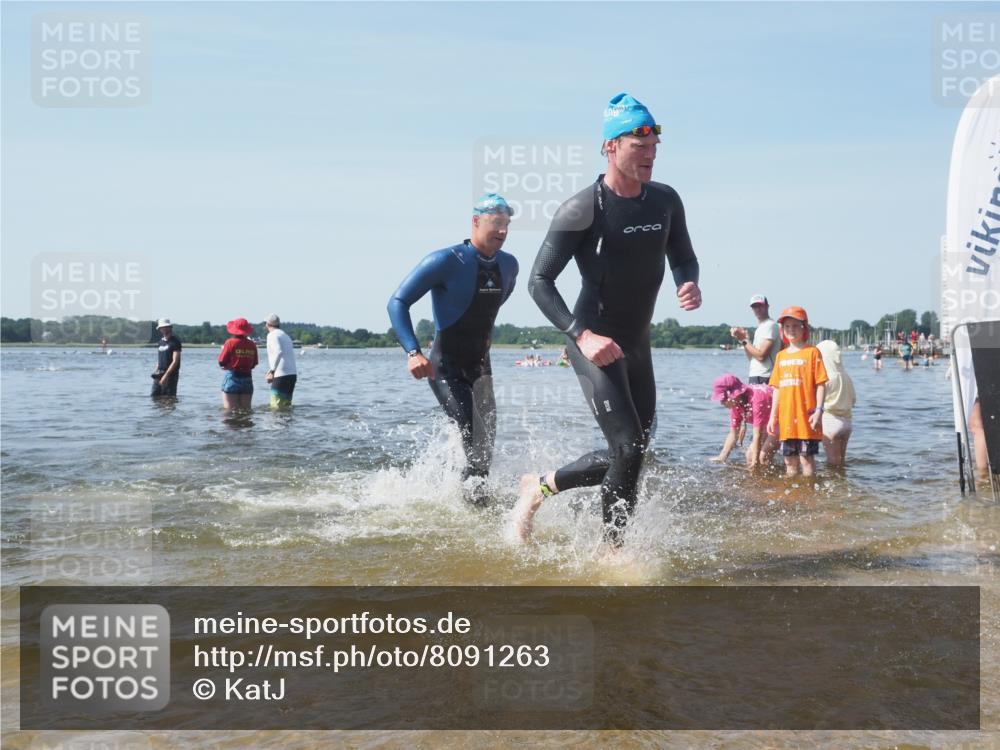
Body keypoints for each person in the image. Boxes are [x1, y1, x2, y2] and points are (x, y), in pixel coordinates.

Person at [512, 92, 702, 548]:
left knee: (634, 453)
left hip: (638, 345)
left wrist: (688, 282)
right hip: (593, 341)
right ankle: (612, 554)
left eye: (655, 146)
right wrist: (582, 335)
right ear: (610, 147)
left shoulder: (665, 201)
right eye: (640, 147)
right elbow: (539, 281)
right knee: (630, 447)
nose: (650, 155)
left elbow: (684, 257)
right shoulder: (581, 209)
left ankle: (540, 486)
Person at [387, 194, 519, 497]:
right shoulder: (445, 260)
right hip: (446, 368)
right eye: (496, 223)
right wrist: (413, 352)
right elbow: (397, 302)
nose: (502, 231)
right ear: (475, 221)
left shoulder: (509, 265)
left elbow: (493, 304)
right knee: (471, 432)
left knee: (484, 446)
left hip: (482, 369)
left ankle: (471, 503)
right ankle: (464, 502)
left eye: (507, 225)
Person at [766, 306, 828, 477]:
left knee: (806, 459)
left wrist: (819, 411)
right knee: (789, 461)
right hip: (787, 420)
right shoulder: (781, 356)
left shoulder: (812, 352)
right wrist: (773, 417)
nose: (791, 330)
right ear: (782, 330)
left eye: (795, 326)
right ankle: (793, 498)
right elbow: (777, 388)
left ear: (804, 328)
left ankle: (809, 495)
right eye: (787, 327)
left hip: (807, 418)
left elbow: (821, 384)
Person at [709, 373, 777, 469]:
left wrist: (755, 462)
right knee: (750, 456)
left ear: (733, 394)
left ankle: (771, 479)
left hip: (782, 419)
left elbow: (757, 434)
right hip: (768, 423)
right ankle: (764, 479)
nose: (721, 403)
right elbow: (733, 434)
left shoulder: (757, 399)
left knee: (762, 458)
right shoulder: (736, 404)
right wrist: (722, 457)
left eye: (723, 399)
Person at [816, 340, 856, 468]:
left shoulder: (825, 378)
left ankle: (834, 486)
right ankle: (843, 486)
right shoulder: (846, 376)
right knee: (841, 462)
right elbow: (853, 400)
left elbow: (816, 400)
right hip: (847, 423)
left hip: (830, 422)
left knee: (832, 464)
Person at [730, 294, 780, 384]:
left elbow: (761, 356)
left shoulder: (770, 325)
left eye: (760, 305)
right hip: (755, 374)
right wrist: (744, 340)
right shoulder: (760, 328)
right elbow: (752, 358)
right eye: (754, 306)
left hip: (766, 376)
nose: (757, 309)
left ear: (767, 306)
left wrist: (744, 340)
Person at [218, 318, 258, 410]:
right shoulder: (252, 344)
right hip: (247, 378)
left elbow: (221, 361)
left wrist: (227, 365)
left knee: (229, 411)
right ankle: (245, 423)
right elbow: (254, 364)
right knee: (246, 410)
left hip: (233, 377)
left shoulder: (230, 342)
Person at [264, 314, 298, 407]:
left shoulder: (271, 335)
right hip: (291, 375)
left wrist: (272, 371)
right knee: (286, 407)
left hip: (281, 375)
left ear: (268, 324)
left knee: (276, 408)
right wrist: (270, 370)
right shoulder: (285, 335)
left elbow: (278, 352)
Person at [150, 318, 181, 398]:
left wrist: (166, 376)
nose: (163, 329)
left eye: (166, 327)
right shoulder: (160, 342)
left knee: (168, 399)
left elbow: (175, 361)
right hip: (159, 373)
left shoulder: (175, 342)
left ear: (169, 327)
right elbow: (159, 359)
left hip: (170, 375)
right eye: (162, 327)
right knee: (154, 397)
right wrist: (156, 371)